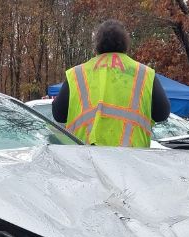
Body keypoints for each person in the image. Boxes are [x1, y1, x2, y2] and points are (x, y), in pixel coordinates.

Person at [52, 19, 170, 147]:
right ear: (125, 44)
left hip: (86, 159)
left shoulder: (77, 73)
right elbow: (162, 114)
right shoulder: (144, 73)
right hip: (132, 160)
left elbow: (58, 115)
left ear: (98, 45)